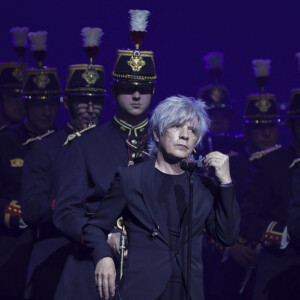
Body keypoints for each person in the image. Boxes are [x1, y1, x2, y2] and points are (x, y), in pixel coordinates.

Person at [83, 95, 240, 300]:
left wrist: (226, 183)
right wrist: (103, 258)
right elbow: (94, 226)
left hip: (188, 292)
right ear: (157, 133)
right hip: (142, 290)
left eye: (192, 131)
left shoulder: (203, 187)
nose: (185, 135)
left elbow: (227, 236)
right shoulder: (131, 179)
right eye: (176, 126)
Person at [53, 10, 156, 299]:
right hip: (92, 266)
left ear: (152, 91)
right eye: (127, 88)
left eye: (143, 88)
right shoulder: (86, 143)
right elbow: (65, 211)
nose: (136, 95)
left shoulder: (166, 143)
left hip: (151, 268)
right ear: (113, 90)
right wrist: (101, 240)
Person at [20, 31, 106, 299]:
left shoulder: (111, 145)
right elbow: (32, 208)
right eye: (83, 101)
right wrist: (71, 206)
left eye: (96, 102)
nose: (90, 109)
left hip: (99, 260)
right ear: (67, 103)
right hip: (54, 255)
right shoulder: (45, 147)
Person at [211, 84, 281, 300]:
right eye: (259, 127)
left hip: (277, 265)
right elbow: (208, 215)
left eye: (271, 125)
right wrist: (229, 247)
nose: (267, 132)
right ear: (247, 129)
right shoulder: (229, 166)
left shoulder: (289, 166)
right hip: (235, 265)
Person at [0, 64, 61, 299]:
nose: (46, 112)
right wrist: (14, 214)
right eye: (38, 104)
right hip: (13, 244)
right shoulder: (6, 143)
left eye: (51, 104)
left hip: (54, 242)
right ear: (26, 104)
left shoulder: (68, 143)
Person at [240, 84, 300, 300]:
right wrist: (284, 234)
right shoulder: (271, 165)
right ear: (292, 125)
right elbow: (248, 220)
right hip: (282, 272)